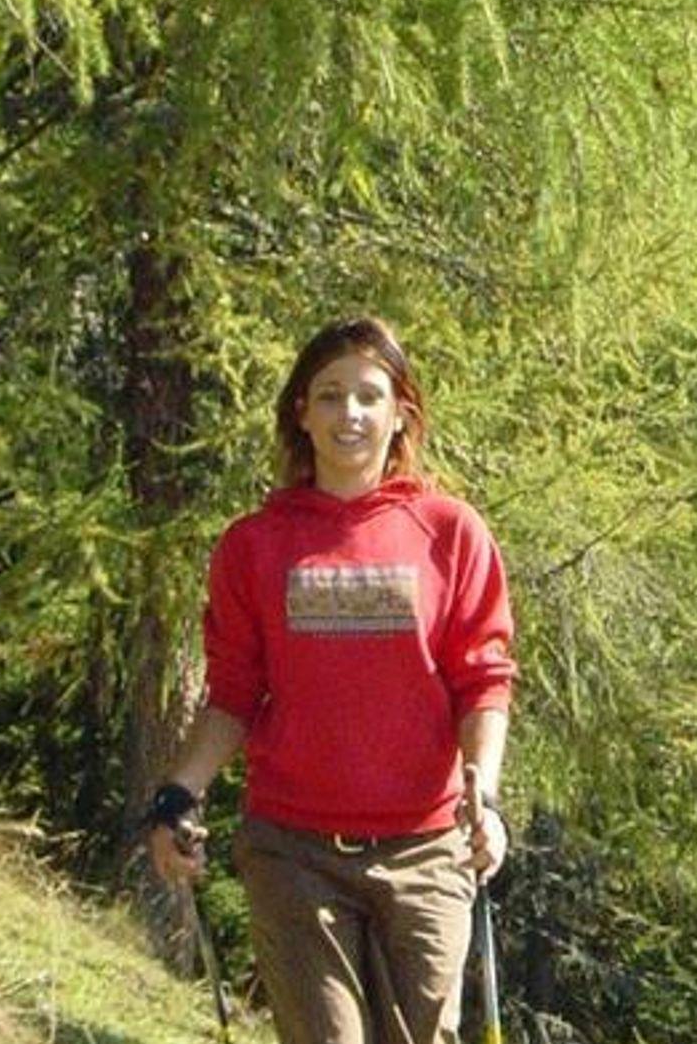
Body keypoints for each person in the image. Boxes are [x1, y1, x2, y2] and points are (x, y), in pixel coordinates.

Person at [145, 316, 517, 1044]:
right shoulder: (254, 546)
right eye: (330, 395)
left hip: (426, 849)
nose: (351, 413)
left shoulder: (451, 532)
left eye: (369, 396)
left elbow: (484, 679)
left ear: (401, 412)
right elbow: (233, 694)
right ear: (302, 413)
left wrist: (488, 799)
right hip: (294, 851)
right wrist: (178, 794)